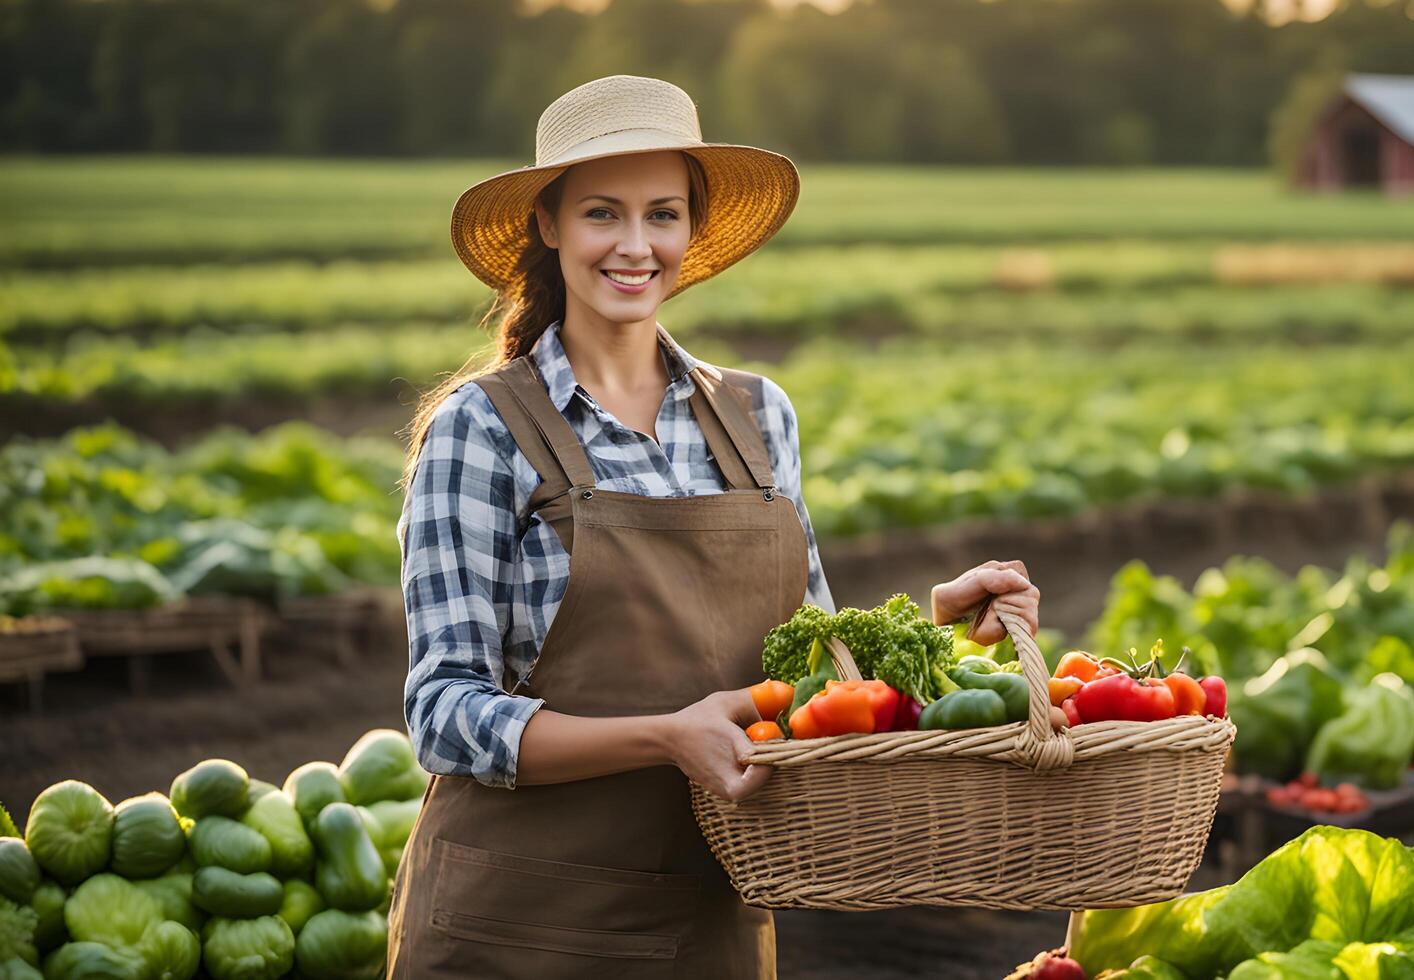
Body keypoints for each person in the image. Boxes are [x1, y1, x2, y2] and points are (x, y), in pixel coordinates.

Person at [384, 75, 1041, 978]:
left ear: (691, 230)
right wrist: (666, 734)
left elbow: (799, 677)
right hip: (517, 930)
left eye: (662, 215)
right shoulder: (483, 427)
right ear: (549, 225)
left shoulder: (758, 416)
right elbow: (444, 715)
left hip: (710, 927)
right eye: (601, 214)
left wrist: (930, 629)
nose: (634, 246)